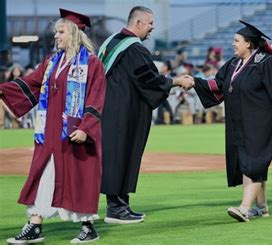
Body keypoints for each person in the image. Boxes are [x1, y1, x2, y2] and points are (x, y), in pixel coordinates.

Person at [1, 9, 105, 243]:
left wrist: (86, 128)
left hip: (75, 131)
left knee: (78, 176)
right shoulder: (50, 62)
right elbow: (31, 83)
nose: (56, 36)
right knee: (43, 174)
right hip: (49, 132)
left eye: (60, 32)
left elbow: (96, 98)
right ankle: (35, 225)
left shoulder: (92, 64)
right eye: (56, 32)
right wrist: (2, 89)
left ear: (75, 34)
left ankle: (88, 227)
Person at [192, 20, 272, 222]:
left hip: (261, 123)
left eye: (236, 40)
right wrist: (193, 82)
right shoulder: (233, 64)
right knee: (247, 162)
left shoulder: (266, 63)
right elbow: (219, 85)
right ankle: (262, 207)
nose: (233, 44)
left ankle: (244, 208)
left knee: (254, 162)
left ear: (249, 43)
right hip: (239, 123)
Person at [98, 6, 194, 224]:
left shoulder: (111, 41)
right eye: (150, 23)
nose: (152, 28)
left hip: (111, 108)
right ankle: (115, 209)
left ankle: (121, 204)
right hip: (124, 112)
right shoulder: (134, 49)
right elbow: (149, 80)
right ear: (138, 23)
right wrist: (177, 81)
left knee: (117, 156)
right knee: (120, 156)